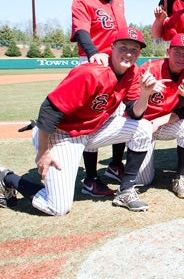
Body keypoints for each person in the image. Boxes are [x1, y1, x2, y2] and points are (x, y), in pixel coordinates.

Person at [0, 28, 160, 215]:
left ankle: (125, 190)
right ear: (112, 48)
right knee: (57, 207)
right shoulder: (91, 72)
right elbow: (50, 109)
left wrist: (145, 94)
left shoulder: (133, 73)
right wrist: (43, 151)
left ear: (139, 53)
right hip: (62, 134)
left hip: (93, 129)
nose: (128, 53)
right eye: (123, 47)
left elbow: (136, 113)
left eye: (134, 49)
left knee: (143, 127)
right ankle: (7, 178)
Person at [70, 0, 128, 197]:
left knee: (122, 115)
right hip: (94, 64)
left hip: (118, 64)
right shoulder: (82, 0)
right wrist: (94, 54)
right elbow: (81, 31)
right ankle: (91, 178)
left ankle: (115, 165)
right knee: (91, 119)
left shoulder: (119, 0)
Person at [134, 33, 184, 199]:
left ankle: (181, 176)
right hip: (141, 124)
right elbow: (130, 105)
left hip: (165, 123)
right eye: (177, 52)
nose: (181, 57)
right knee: (144, 180)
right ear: (168, 51)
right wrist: (145, 91)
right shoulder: (150, 70)